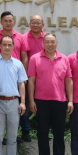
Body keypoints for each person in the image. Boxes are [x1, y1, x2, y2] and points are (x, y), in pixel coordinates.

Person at [28, 33, 74, 155]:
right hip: (41, 101)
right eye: (47, 42)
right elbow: (31, 81)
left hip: (60, 101)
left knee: (59, 132)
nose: (50, 44)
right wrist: (31, 100)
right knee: (42, 133)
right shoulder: (35, 58)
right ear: (43, 43)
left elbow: (68, 80)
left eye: (52, 42)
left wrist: (70, 100)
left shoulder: (64, 59)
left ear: (56, 43)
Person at [19, 15, 46, 143]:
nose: (35, 25)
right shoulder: (23, 38)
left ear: (43, 24)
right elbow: (23, 57)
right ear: (29, 24)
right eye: (33, 22)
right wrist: (24, 76)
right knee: (25, 103)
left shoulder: (47, 38)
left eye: (38, 22)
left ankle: (43, 131)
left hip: (44, 77)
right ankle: (26, 131)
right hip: (28, 76)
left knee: (43, 105)